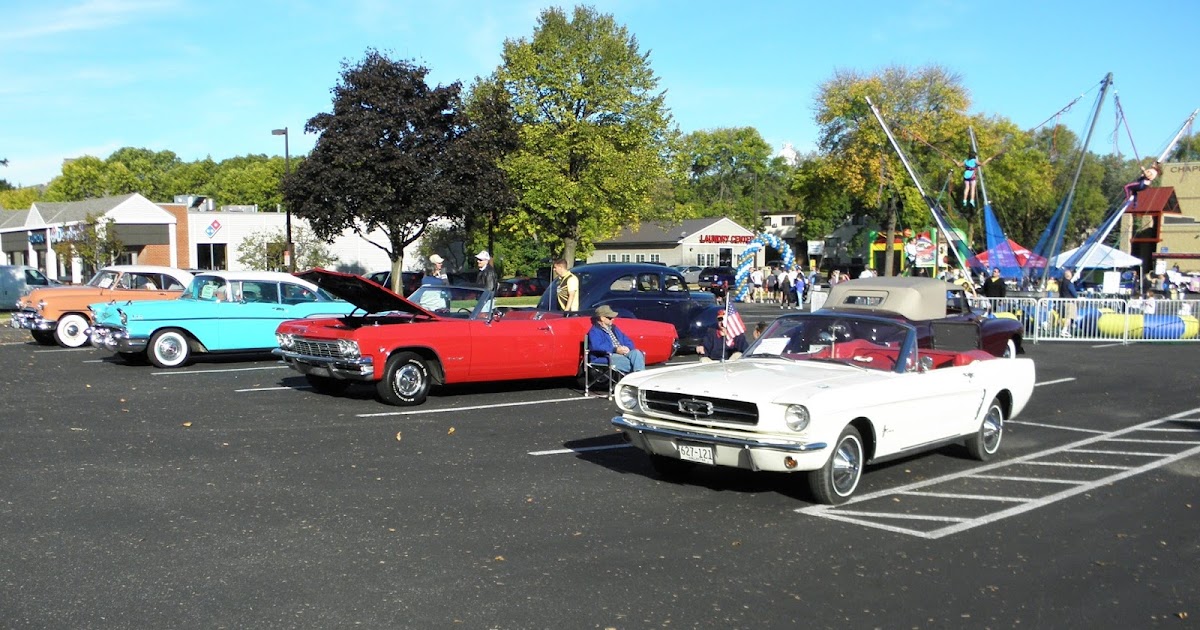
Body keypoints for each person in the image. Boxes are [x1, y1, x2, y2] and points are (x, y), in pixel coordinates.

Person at [587, 305, 646, 374]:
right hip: (606, 356)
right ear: (602, 318)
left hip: (621, 352)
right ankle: (638, 378)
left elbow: (627, 340)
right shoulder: (595, 331)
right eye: (610, 317)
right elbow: (596, 346)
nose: (613, 319)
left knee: (636, 353)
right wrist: (615, 349)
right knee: (629, 363)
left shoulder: (614, 328)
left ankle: (638, 377)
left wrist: (627, 347)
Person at [1058, 268, 1079, 337]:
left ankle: (1064, 329)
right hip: (1070, 302)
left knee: (1065, 316)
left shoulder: (1061, 283)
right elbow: (1074, 293)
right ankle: (1064, 330)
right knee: (1069, 317)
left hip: (1063, 301)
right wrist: (1077, 297)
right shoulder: (1069, 283)